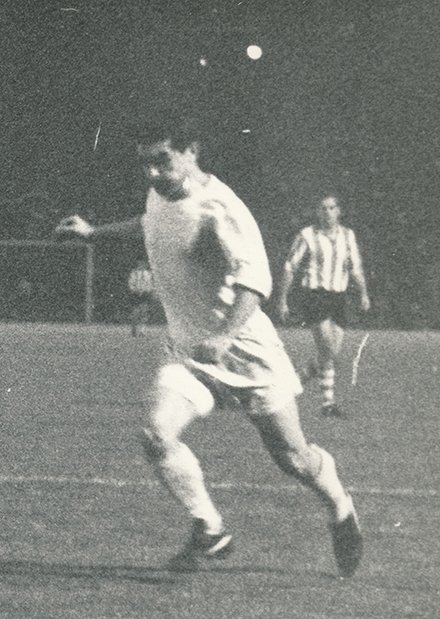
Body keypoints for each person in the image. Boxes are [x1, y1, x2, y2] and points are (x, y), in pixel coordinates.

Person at [54, 115, 362, 577]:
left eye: (162, 160)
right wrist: (94, 233)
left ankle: (340, 504)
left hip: (247, 353)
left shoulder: (221, 208)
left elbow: (254, 281)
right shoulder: (161, 193)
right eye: (145, 163)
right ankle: (210, 527)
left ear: (192, 151)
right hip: (188, 353)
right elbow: (151, 223)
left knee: (294, 459)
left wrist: (225, 336)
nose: (153, 172)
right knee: (157, 434)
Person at [276, 195, 371, 417]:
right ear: (317, 212)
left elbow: (355, 267)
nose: (327, 212)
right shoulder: (307, 235)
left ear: (339, 211)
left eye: (331, 208)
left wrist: (364, 293)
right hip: (315, 296)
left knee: (331, 353)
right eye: (323, 208)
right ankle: (327, 404)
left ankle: (295, 382)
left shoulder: (348, 235)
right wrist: (282, 299)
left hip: (339, 297)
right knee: (327, 349)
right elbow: (290, 266)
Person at [127, 257, 155, 337]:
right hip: (136, 294)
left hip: (145, 294)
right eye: (140, 263)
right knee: (135, 313)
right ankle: (134, 329)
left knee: (144, 313)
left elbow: (150, 284)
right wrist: (135, 290)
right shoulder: (134, 273)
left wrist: (147, 291)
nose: (141, 265)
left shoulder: (148, 274)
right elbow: (131, 283)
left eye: (143, 263)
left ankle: (142, 331)